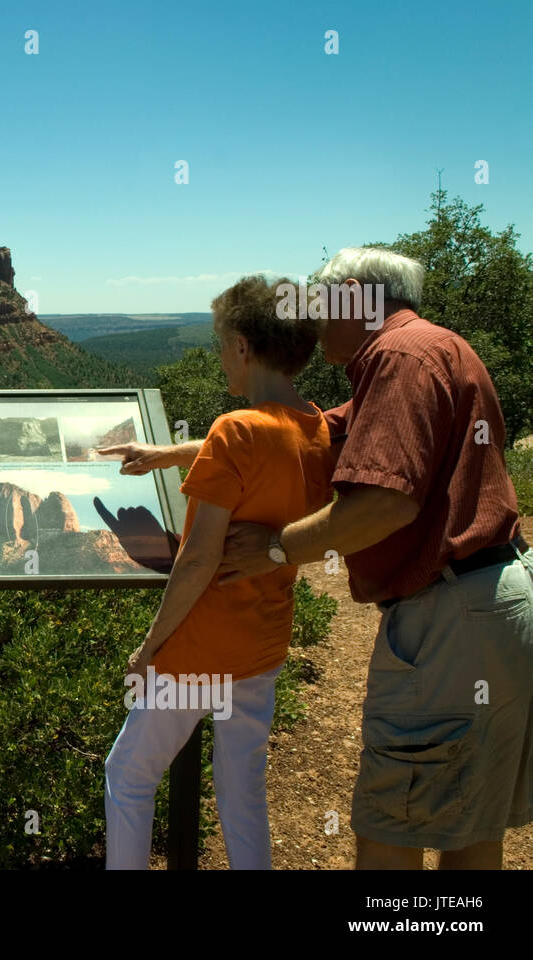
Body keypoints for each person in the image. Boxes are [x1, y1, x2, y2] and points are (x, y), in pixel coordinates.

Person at [208, 247, 532, 869]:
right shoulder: (430, 348)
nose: (312, 319)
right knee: (471, 823)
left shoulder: (398, 357)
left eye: (320, 300)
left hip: (448, 620)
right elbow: (311, 436)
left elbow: (383, 506)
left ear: (354, 295)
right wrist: (183, 452)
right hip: (495, 603)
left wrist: (275, 550)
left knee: (394, 824)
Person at [101, 275, 334, 869]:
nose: (219, 355)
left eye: (219, 341)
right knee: (242, 795)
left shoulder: (236, 429)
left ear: (243, 347)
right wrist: (167, 453)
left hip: (199, 651)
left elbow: (199, 558)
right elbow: (260, 446)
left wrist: (151, 646)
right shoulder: (317, 431)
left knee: (128, 777)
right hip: (260, 648)